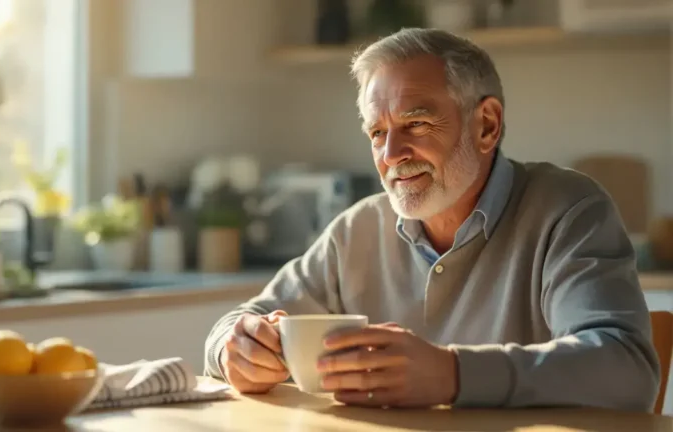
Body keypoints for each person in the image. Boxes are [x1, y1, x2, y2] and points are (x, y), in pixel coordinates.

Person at [203, 28, 660, 411]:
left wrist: (454, 374)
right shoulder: (357, 229)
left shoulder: (569, 210)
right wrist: (234, 348)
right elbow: (245, 320)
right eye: (377, 133)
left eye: (416, 124)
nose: (390, 155)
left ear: (486, 125)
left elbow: (627, 369)